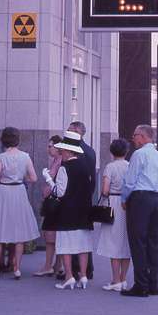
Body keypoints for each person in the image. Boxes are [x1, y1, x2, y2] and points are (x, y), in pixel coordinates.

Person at [43, 130, 94, 291]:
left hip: (67, 212)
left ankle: (69, 276)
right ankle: (84, 276)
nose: (61, 152)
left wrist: (49, 180)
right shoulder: (85, 166)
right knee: (83, 246)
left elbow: (60, 192)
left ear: (68, 151)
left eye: (62, 150)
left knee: (65, 246)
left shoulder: (65, 168)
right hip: (84, 211)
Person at [121, 124, 158, 298]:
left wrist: (124, 199)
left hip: (140, 199)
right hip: (155, 199)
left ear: (143, 136)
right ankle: (152, 283)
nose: (133, 139)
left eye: (135, 135)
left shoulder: (139, 155)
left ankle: (141, 285)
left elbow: (130, 180)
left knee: (138, 242)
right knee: (153, 242)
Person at [0, 126, 40, 280]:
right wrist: (21, 178)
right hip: (18, 191)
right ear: (18, 140)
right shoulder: (25, 157)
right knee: (18, 232)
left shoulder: (1, 157)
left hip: (3, 193)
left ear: (3, 140)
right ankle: (17, 268)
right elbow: (34, 178)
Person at [97, 138, 131, 291]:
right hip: (127, 205)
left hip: (113, 204)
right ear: (126, 151)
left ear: (111, 151)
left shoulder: (110, 167)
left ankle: (115, 279)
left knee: (113, 242)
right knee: (125, 243)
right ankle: (123, 279)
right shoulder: (130, 166)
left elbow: (104, 190)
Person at [68, 120, 96, 280]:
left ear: (78, 132)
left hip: (73, 198)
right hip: (86, 198)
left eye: (70, 130)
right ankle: (87, 269)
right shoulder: (90, 150)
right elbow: (92, 178)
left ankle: (74, 269)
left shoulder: (74, 151)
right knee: (84, 235)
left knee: (72, 234)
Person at [34, 134, 63, 277]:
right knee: (55, 234)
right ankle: (58, 265)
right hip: (55, 202)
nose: (48, 149)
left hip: (54, 202)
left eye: (50, 146)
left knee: (50, 234)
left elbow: (53, 183)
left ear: (58, 148)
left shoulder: (59, 162)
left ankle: (48, 266)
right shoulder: (57, 161)